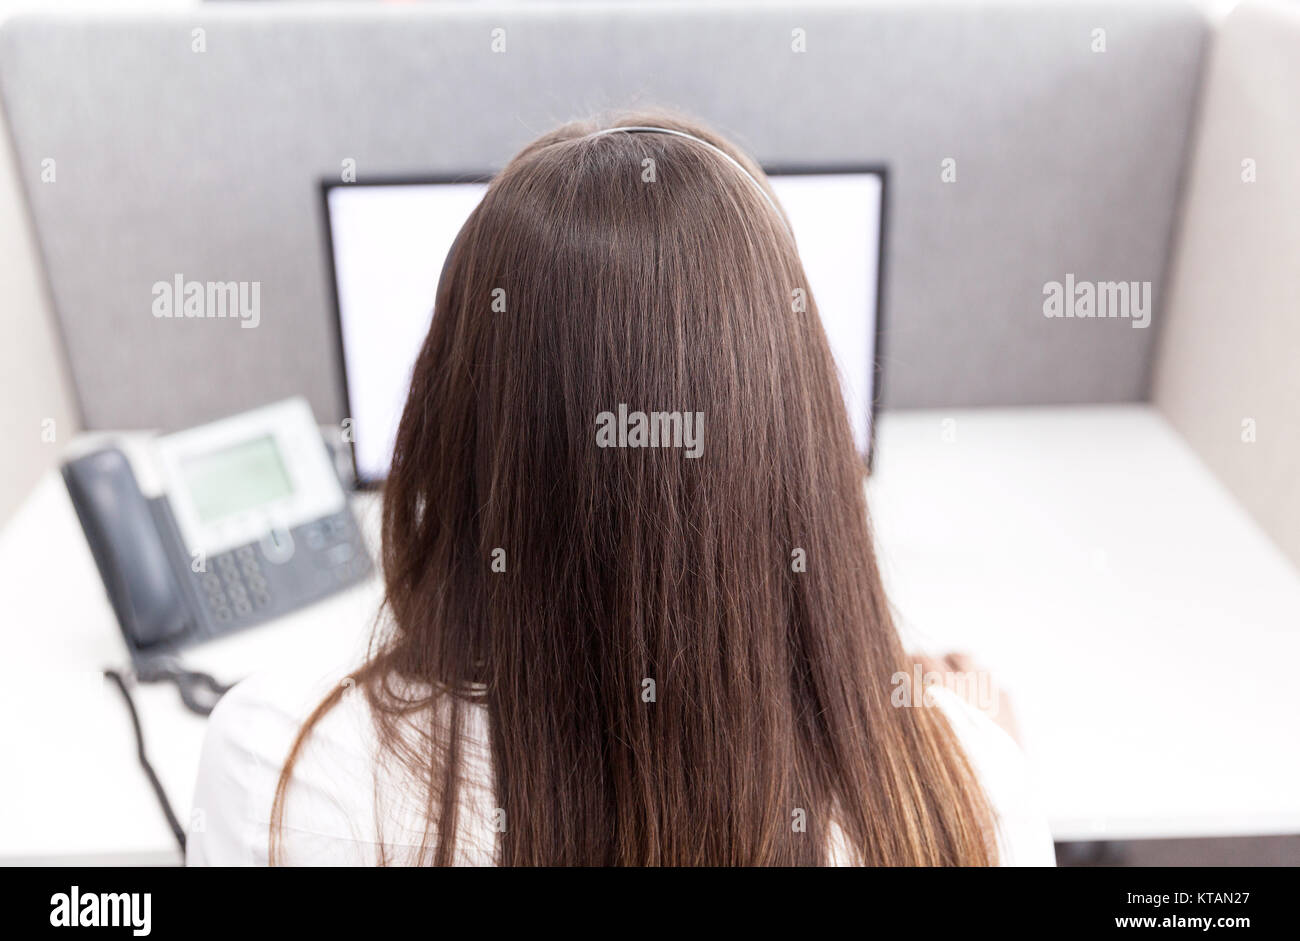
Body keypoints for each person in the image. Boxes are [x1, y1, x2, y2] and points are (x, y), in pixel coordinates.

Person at [188, 112, 1054, 866]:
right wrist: (962, 773)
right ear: (802, 438)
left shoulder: (281, 764)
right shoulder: (968, 787)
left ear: (449, 419)